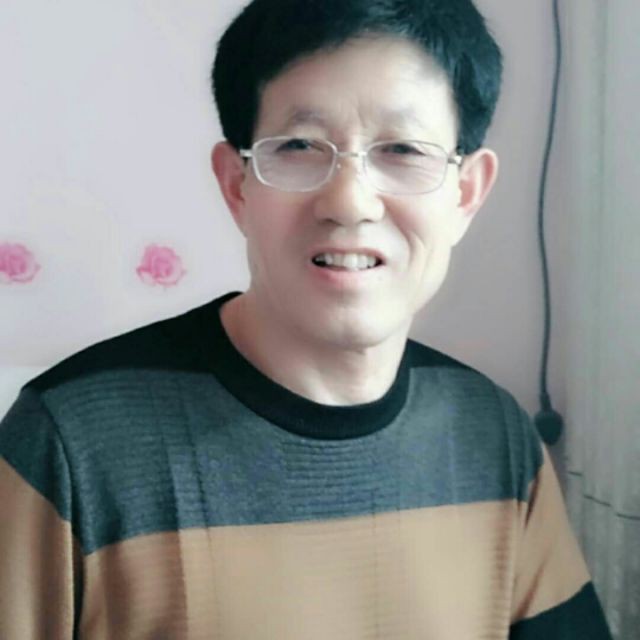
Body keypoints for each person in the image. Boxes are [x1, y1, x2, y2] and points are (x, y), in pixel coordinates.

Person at [0, 0, 613, 638]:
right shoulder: (68, 444)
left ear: (466, 194)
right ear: (236, 185)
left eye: (403, 149)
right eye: (298, 146)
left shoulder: (495, 437)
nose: (349, 201)